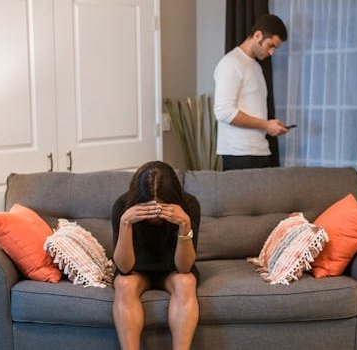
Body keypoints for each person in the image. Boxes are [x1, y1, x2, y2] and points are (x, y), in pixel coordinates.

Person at [111, 161, 201, 350]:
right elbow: (124, 268)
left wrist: (185, 224)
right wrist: (125, 223)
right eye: (149, 208)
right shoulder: (122, 206)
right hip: (137, 271)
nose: (156, 215)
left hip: (173, 269)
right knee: (123, 283)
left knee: (186, 282)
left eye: (162, 207)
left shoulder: (189, 205)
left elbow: (184, 267)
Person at [213, 14, 289, 171]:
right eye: (271, 45)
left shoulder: (255, 66)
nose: (272, 52)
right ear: (258, 35)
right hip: (239, 155)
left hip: (259, 152)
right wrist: (266, 125)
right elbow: (223, 112)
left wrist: (270, 126)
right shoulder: (231, 63)